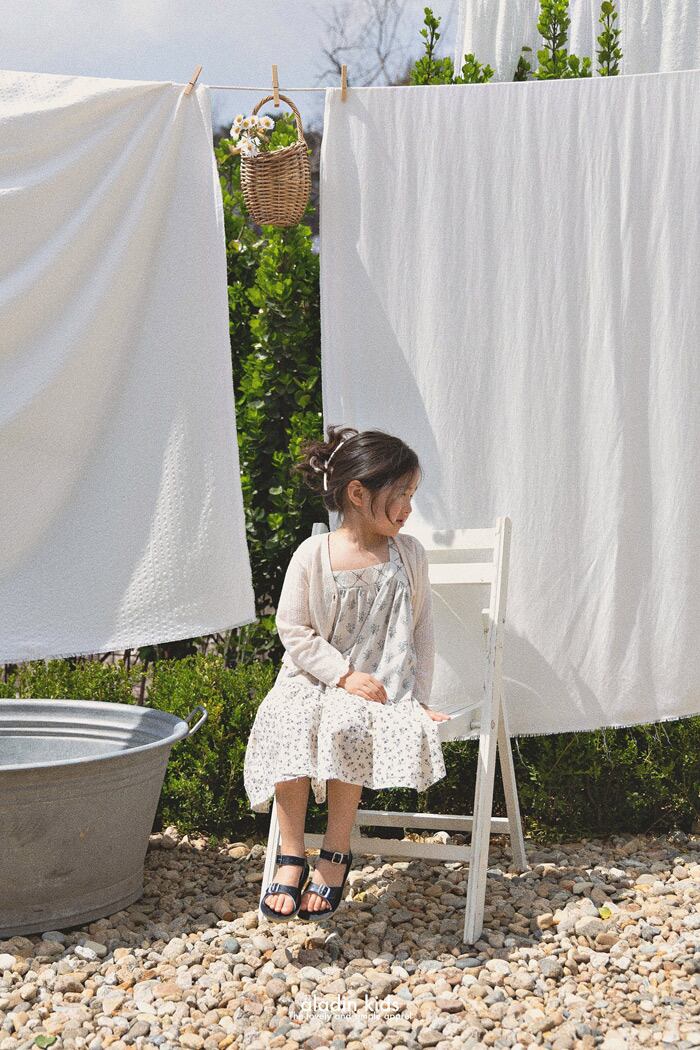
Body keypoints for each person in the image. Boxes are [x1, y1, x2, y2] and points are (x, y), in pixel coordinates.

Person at [243, 424, 450, 923]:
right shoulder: (313, 553)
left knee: (346, 722)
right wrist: (341, 674)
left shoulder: (409, 554)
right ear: (358, 494)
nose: (409, 507)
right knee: (286, 717)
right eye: (402, 494)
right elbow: (294, 629)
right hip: (315, 675)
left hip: (381, 682)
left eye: (413, 495)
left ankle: (336, 852)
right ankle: (291, 852)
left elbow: (421, 629)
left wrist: (419, 698)